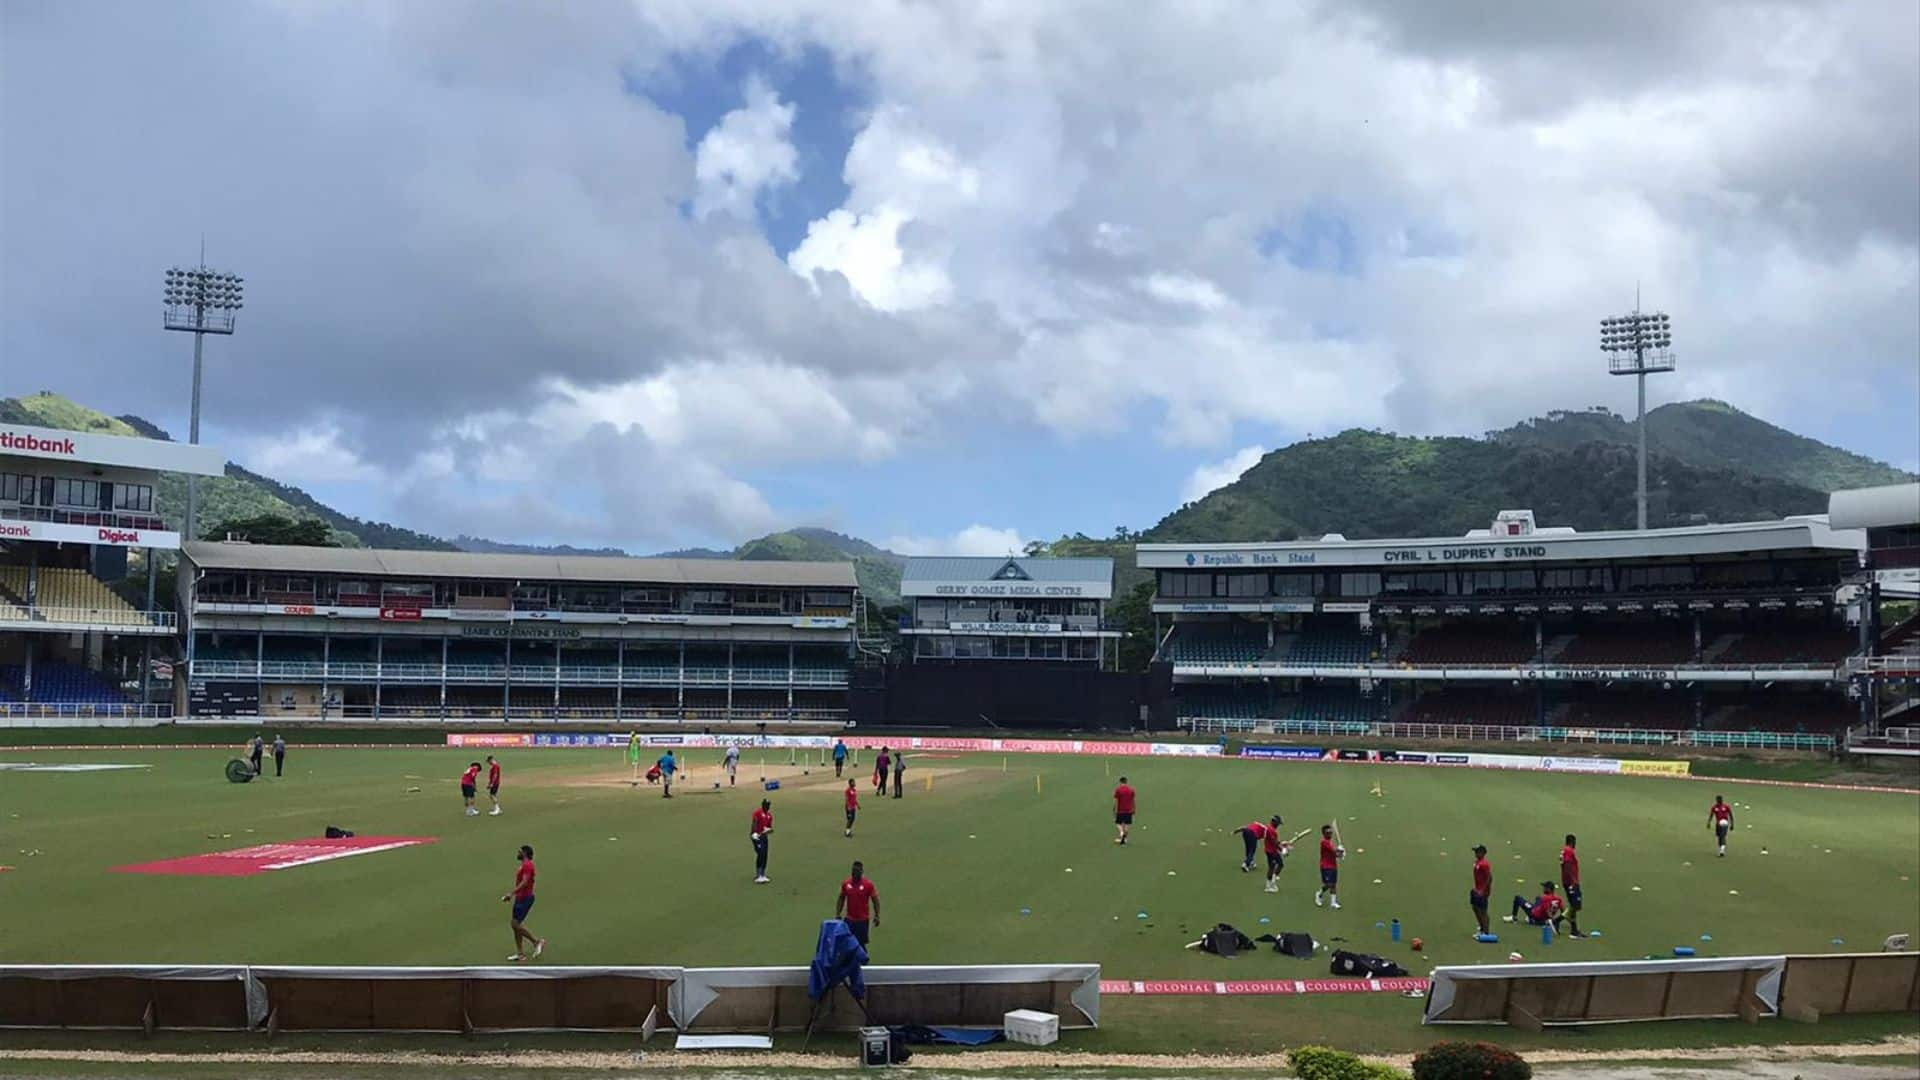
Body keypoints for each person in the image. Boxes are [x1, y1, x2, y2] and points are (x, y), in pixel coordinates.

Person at [501, 844, 545, 961]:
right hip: (520, 898)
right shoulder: (523, 865)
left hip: (525, 898)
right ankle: (520, 953)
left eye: (519, 851)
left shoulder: (527, 865)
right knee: (515, 926)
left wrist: (511, 893)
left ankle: (536, 942)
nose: (518, 853)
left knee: (515, 924)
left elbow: (525, 882)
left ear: (524, 853)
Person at [835, 860, 881, 950]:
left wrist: (877, 915)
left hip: (862, 921)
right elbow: (841, 898)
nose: (854, 873)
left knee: (860, 944)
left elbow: (875, 900)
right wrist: (838, 913)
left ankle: (863, 961)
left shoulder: (868, 885)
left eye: (856, 871)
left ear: (861, 872)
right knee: (847, 942)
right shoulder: (846, 884)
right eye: (853, 871)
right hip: (849, 920)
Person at [1559, 834, 1585, 937]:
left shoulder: (1564, 851)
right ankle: (1556, 921)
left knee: (1573, 905)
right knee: (1575, 905)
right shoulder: (1569, 851)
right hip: (1570, 882)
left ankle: (1574, 930)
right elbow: (1567, 865)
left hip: (1568, 881)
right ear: (1572, 842)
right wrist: (1573, 881)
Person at [1314, 824, 1343, 909]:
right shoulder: (1324, 842)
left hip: (1333, 866)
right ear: (1324, 834)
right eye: (1328, 833)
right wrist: (1340, 850)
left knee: (1333, 884)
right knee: (1328, 884)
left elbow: (1337, 855)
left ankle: (1333, 902)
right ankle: (1319, 894)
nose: (1330, 834)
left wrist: (1341, 853)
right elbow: (1335, 852)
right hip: (1326, 866)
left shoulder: (1330, 843)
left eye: (1331, 832)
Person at [1469, 844, 1492, 936]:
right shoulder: (1477, 862)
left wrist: (1482, 890)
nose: (1475, 853)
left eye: (1477, 852)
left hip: (1482, 892)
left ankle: (1486, 932)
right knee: (1475, 908)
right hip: (1477, 889)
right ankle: (1481, 927)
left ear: (1482, 853)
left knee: (1483, 911)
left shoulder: (1484, 864)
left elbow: (1489, 878)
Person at [750, 798, 774, 883]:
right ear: (763, 805)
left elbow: (770, 827)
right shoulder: (758, 813)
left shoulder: (769, 816)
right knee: (760, 853)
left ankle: (763, 875)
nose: (767, 807)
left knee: (765, 855)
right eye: (766, 805)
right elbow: (754, 822)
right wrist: (754, 833)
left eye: (768, 805)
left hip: (764, 837)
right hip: (756, 836)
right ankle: (758, 875)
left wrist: (769, 830)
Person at [1112, 776, 1136, 845]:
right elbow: (1133, 801)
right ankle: (1124, 839)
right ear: (1126, 782)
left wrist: (1114, 809)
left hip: (1120, 810)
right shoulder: (1131, 790)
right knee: (1126, 825)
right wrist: (1134, 809)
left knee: (1118, 823)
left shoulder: (1118, 790)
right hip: (1129, 810)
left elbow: (1115, 800)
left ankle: (1121, 833)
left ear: (1120, 782)